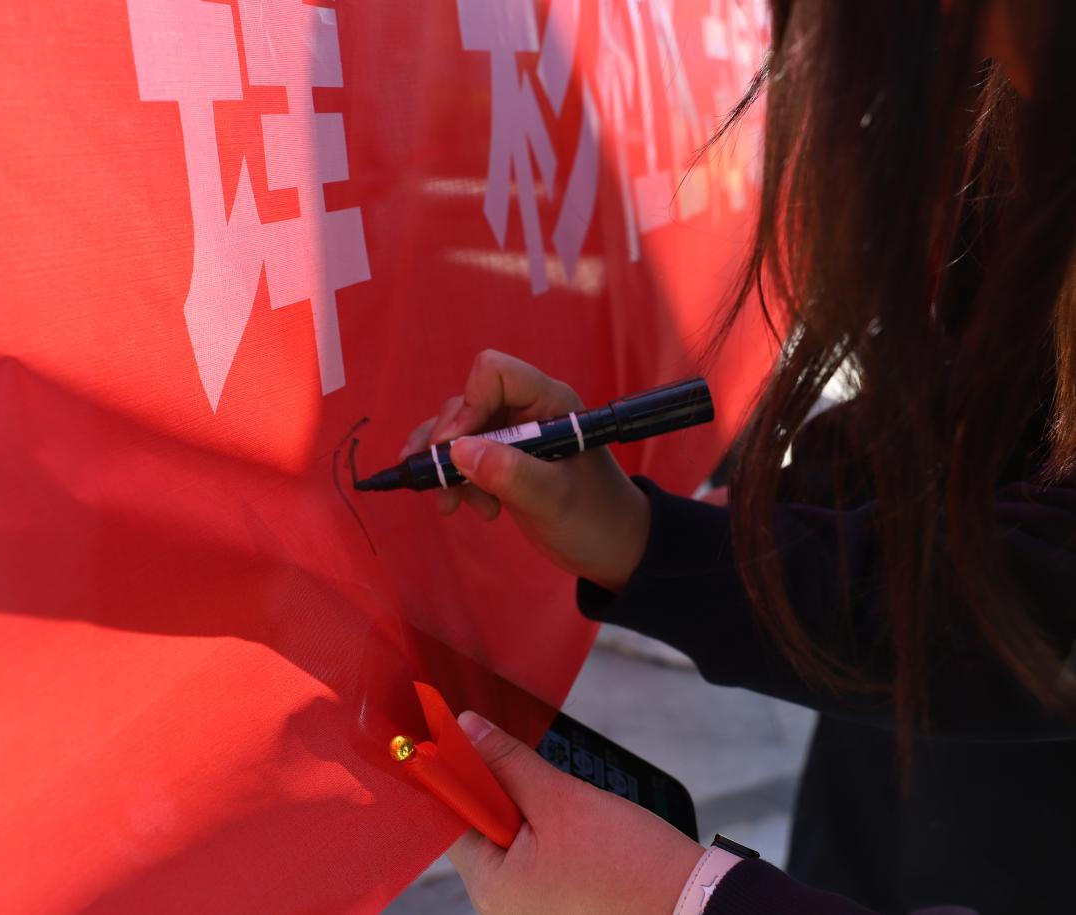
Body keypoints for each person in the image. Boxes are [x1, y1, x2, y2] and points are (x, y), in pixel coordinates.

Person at [397, 1, 1076, 912]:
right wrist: (653, 539)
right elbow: (987, 432)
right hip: (899, 773)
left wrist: (685, 898)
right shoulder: (997, 93)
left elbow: (1049, 591)